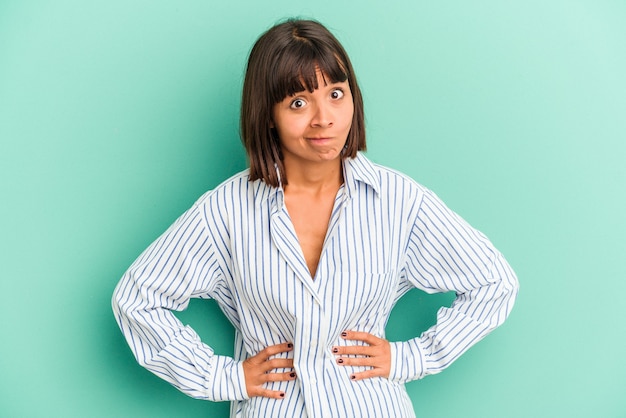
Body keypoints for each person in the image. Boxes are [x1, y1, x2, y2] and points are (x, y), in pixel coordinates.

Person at [112, 19, 518, 418]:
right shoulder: (226, 210)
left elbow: (494, 283)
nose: (324, 118)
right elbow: (137, 300)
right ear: (268, 113)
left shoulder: (398, 200)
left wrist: (410, 357)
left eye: (336, 94)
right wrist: (223, 378)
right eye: (298, 103)